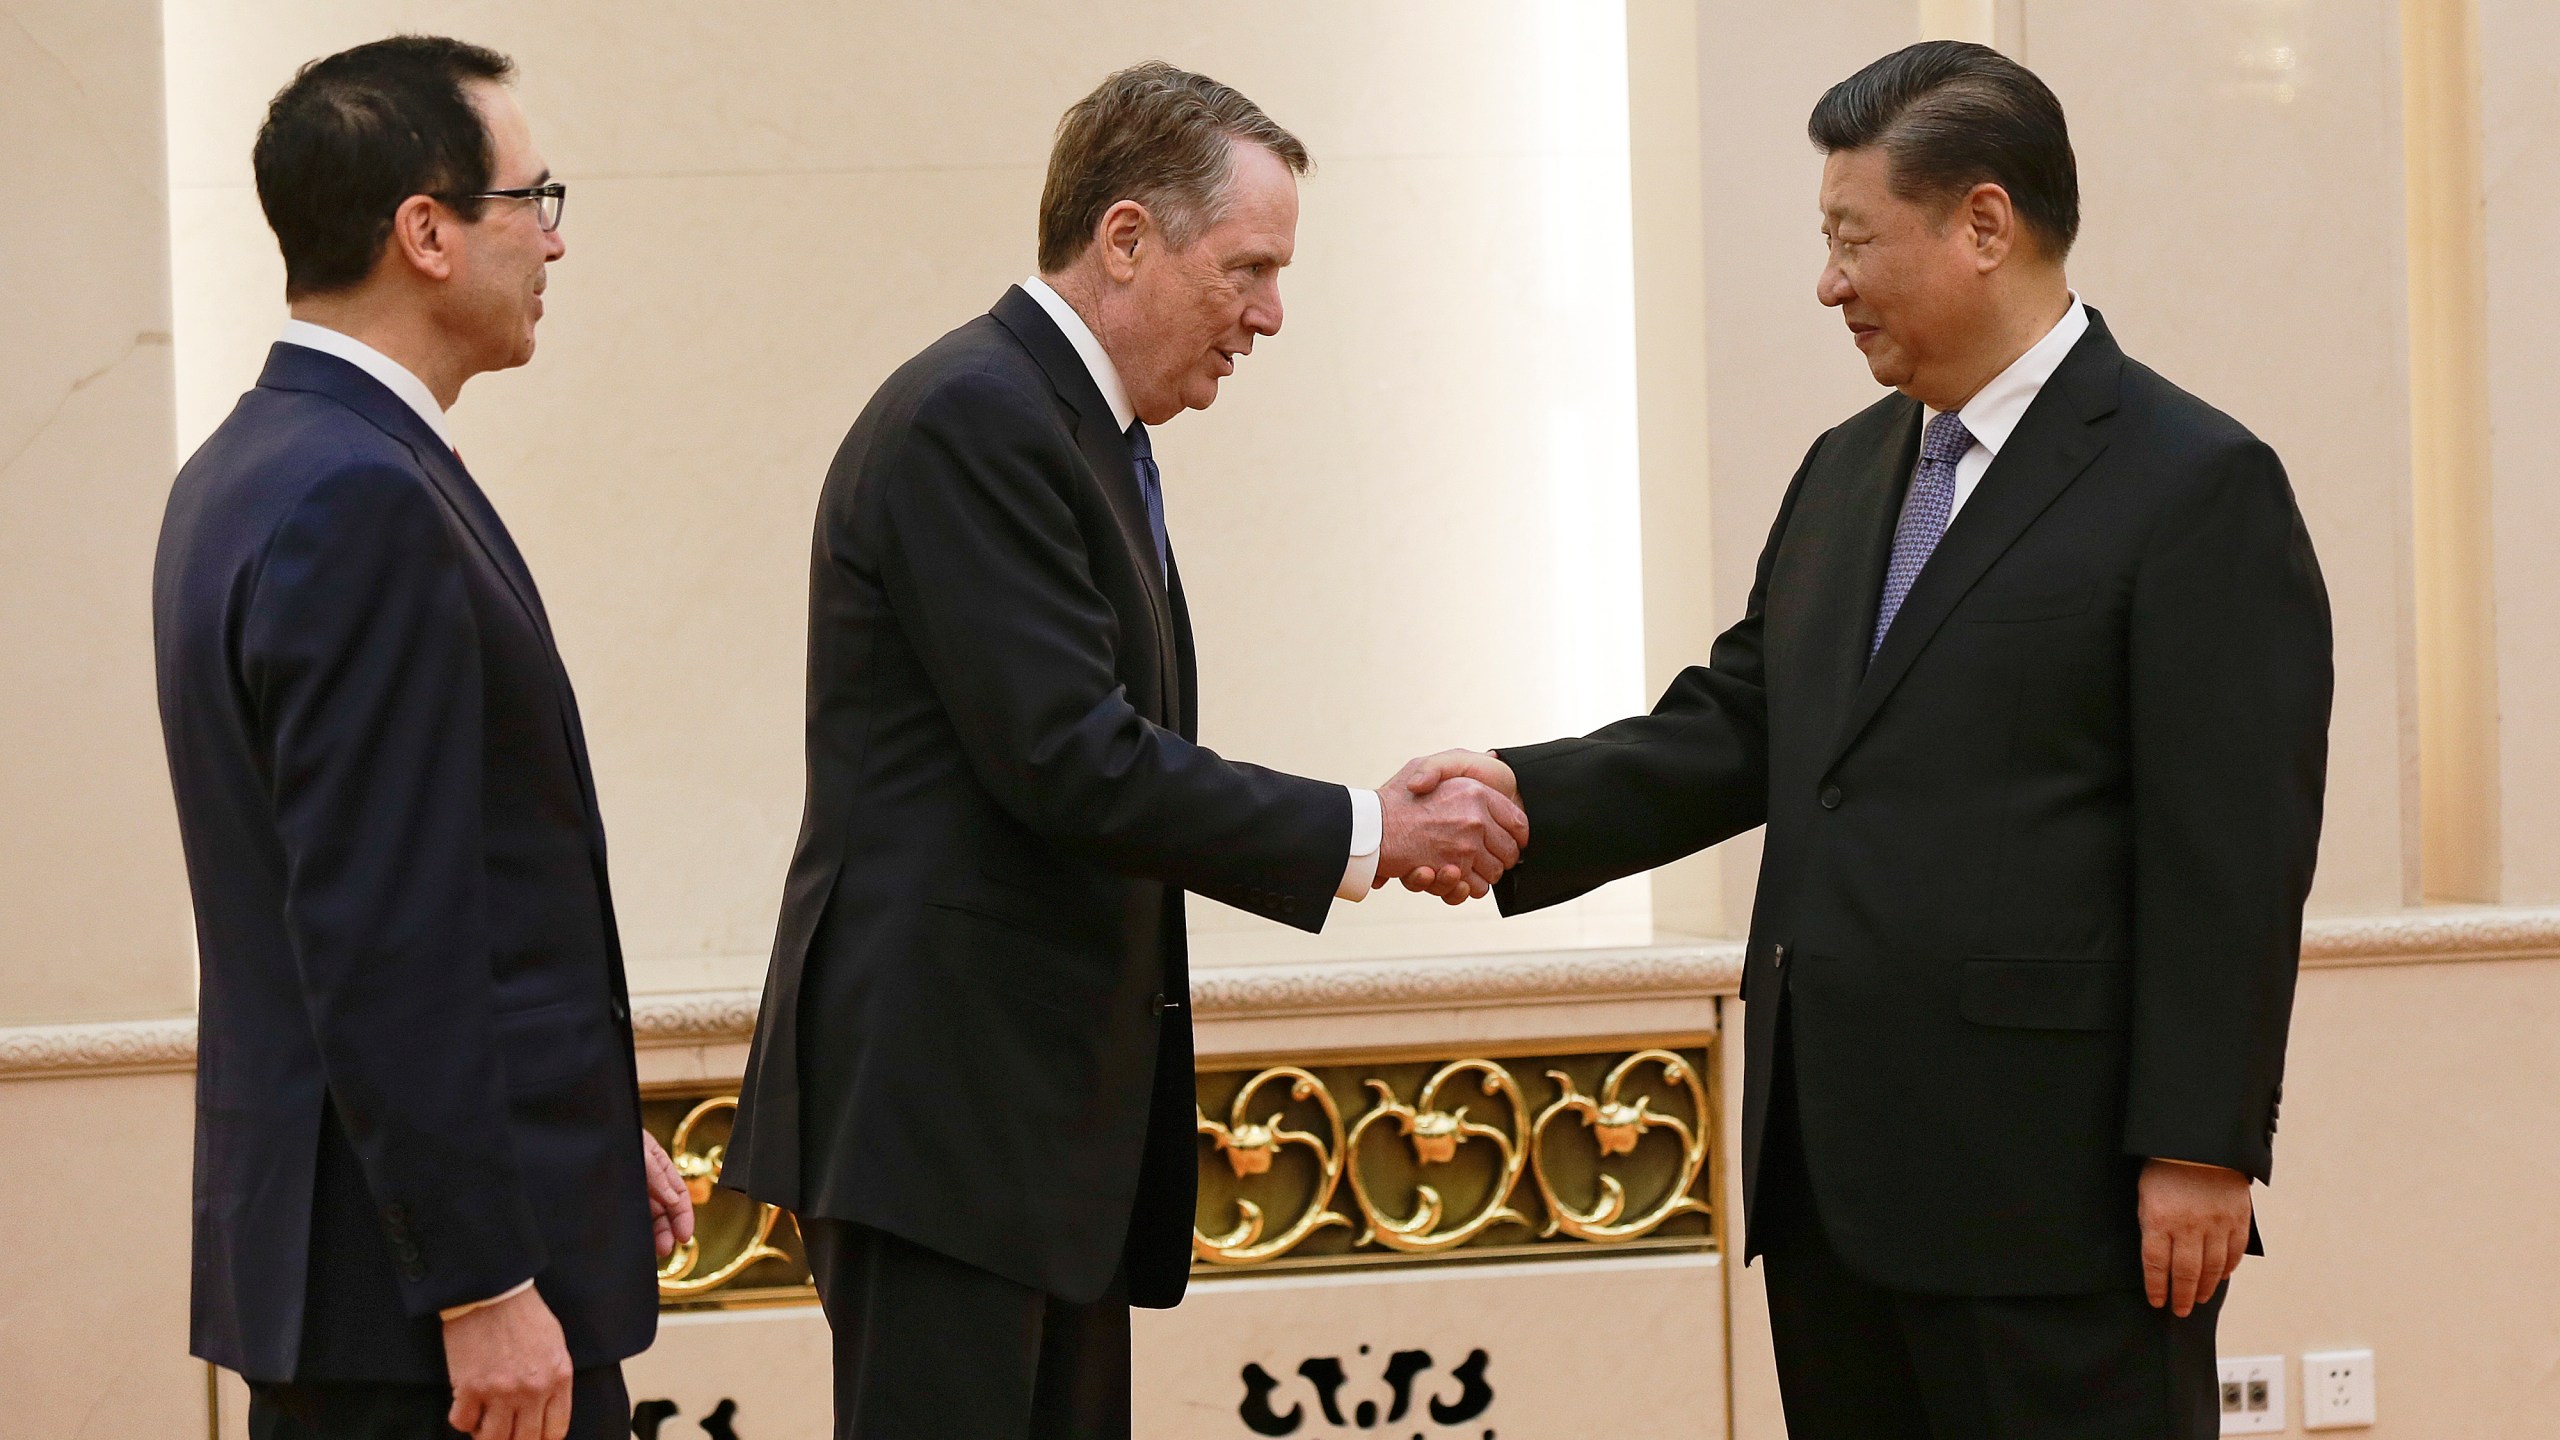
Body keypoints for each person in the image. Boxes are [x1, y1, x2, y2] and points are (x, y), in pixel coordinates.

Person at [1401, 41, 2332, 1439]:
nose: (1827, 282)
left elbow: (2233, 852)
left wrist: (2202, 1145)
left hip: (2054, 1193)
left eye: (1851, 240)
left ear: (1983, 225)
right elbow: (1745, 726)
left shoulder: (2195, 485)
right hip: (1831, 1179)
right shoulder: (1849, 472)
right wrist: (1522, 795)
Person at [721, 61, 1528, 1440]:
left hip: (1027, 1135)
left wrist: (1365, 819)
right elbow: (1073, 761)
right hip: (946, 1123)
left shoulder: (1073, 430)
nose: (1271, 314)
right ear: (1128, 240)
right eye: (1250, 268)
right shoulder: (976, 415)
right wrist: (1367, 831)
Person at [152, 37, 692, 1440]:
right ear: (426, 231)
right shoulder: (359, 499)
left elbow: (443, 905)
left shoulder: (248, 467)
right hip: (425, 1324)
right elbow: (380, 930)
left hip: (364, 1272)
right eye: (535, 198)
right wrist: (482, 1278)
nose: (557, 243)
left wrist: (571, 1144)